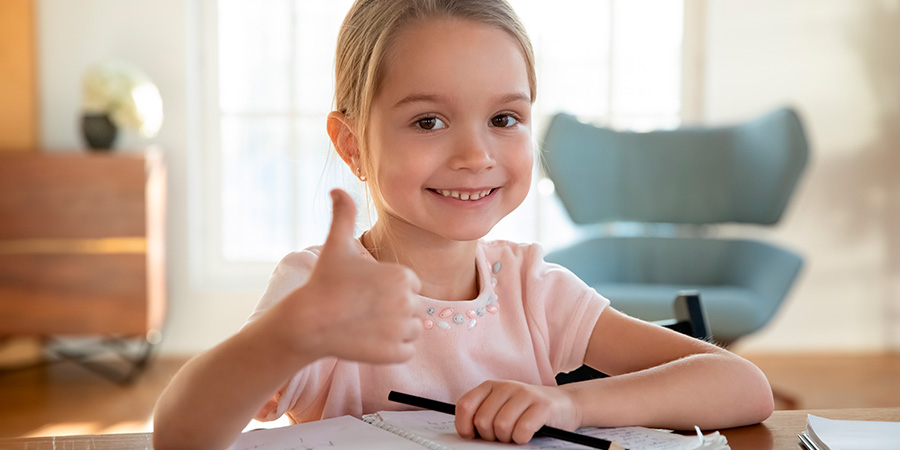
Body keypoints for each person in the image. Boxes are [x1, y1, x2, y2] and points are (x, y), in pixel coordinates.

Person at [153, 1, 774, 449]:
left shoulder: (534, 289)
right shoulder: (323, 290)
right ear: (352, 145)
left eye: (504, 119)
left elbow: (742, 385)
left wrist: (568, 402)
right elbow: (181, 437)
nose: (476, 156)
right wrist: (285, 337)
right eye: (429, 122)